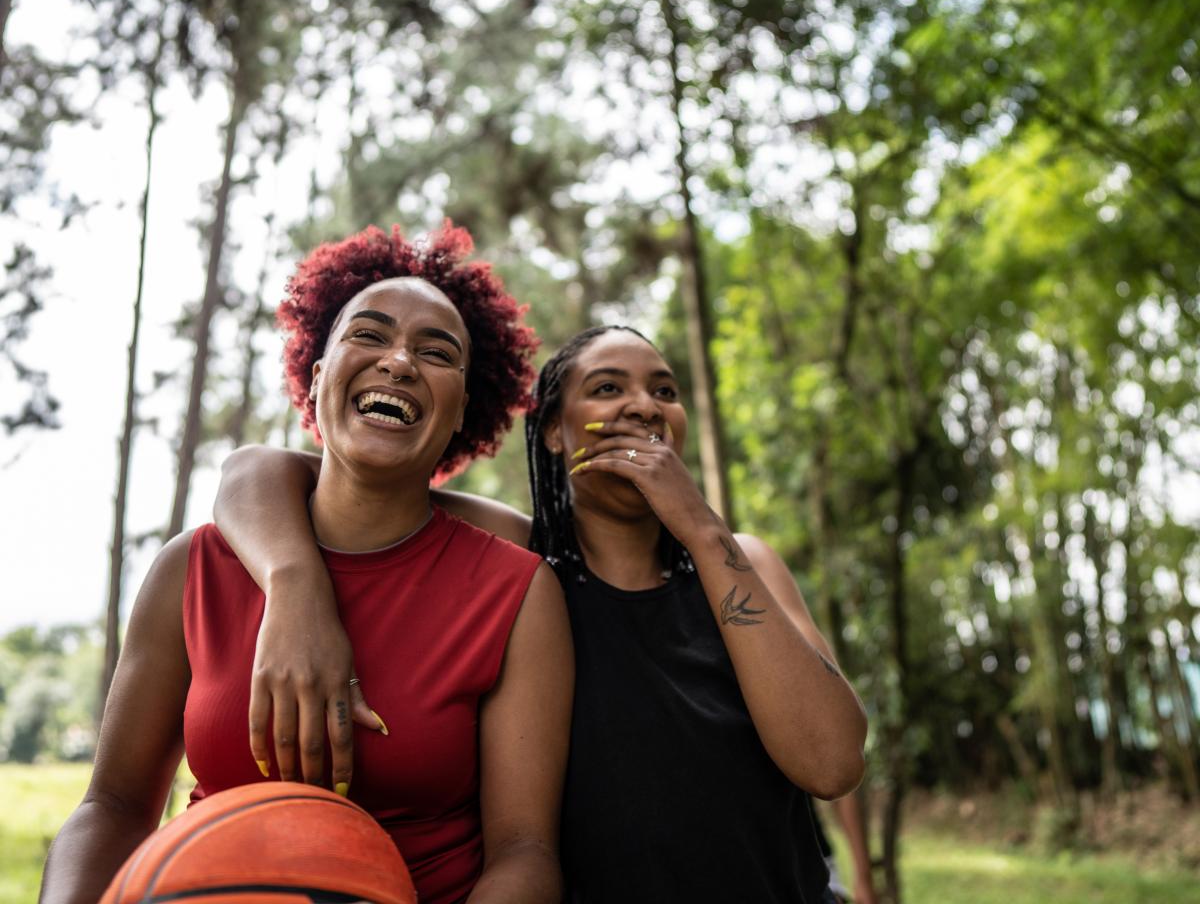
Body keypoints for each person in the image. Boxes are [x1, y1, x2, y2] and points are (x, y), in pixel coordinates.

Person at [213, 322, 868, 902]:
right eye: (608, 389)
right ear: (554, 431)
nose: (644, 406)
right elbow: (260, 471)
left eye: (664, 391)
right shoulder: (526, 564)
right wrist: (294, 586)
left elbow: (831, 762)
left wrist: (699, 526)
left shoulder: (740, 560)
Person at [39, 224, 574, 904]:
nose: (400, 362)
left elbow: (525, 853)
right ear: (318, 376)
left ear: (462, 408)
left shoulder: (517, 592)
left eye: (436, 352)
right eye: (369, 335)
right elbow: (112, 804)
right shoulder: (195, 567)